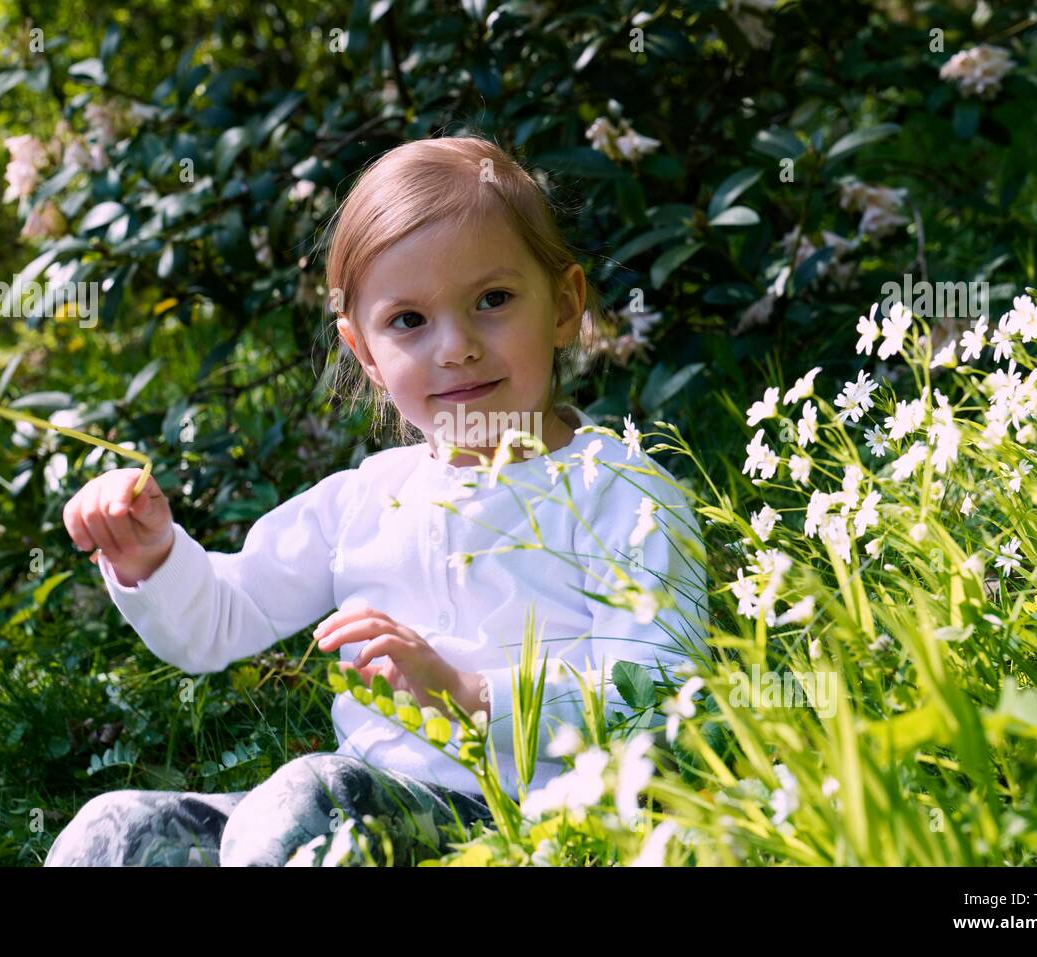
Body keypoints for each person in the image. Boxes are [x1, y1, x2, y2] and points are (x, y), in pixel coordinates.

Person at [46, 133, 709, 867]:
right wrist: (154, 557)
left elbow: (662, 691)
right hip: (350, 812)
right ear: (363, 350)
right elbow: (223, 619)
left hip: (519, 826)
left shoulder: (621, 493)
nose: (454, 346)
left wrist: (469, 692)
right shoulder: (363, 500)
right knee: (113, 832)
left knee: (305, 802)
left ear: (563, 305)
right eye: (408, 321)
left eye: (493, 300)